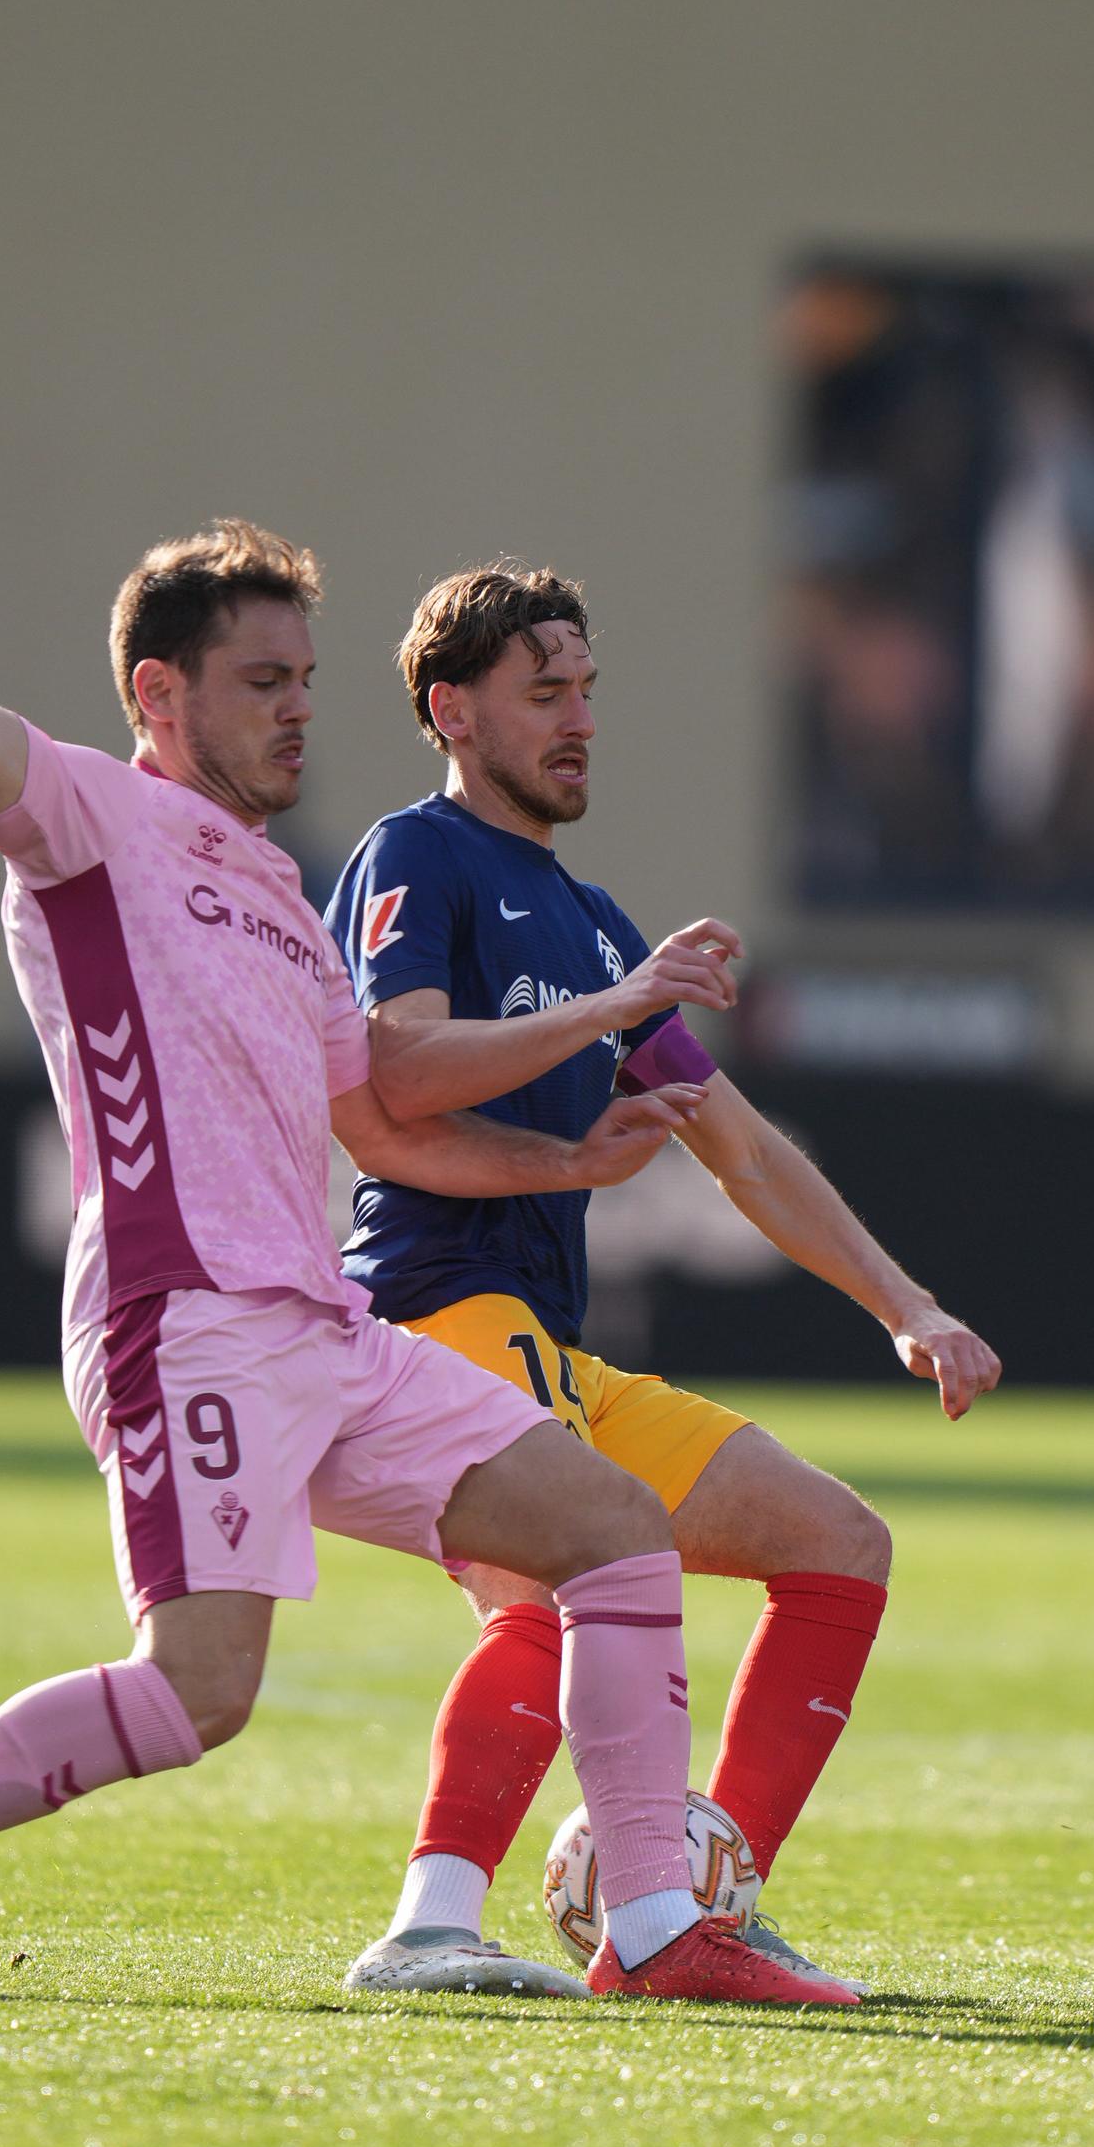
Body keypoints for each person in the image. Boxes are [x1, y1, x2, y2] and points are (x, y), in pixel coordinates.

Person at [0, 332, 856, 2006]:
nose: (300, 707)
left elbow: (379, 1118)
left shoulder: (289, 902)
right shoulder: (85, 818)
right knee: (195, 1693)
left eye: (305, 678)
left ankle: (655, 1929)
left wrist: (564, 1152)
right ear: (158, 695)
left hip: (323, 1325)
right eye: (262, 680)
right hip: (188, 1317)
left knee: (613, 1535)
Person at [323, 562, 1001, 2001]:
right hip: (429, 1317)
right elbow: (395, 1067)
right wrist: (619, 1004)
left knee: (839, 1544)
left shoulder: (589, 917)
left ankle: (703, 1891)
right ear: (452, 710)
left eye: (585, 688)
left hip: (545, 1347)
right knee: (557, 1587)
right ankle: (440, 1925)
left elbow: (742, 1148)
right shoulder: (414, 856)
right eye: (541, 690)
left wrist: (907, 1304)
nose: (577, 719)